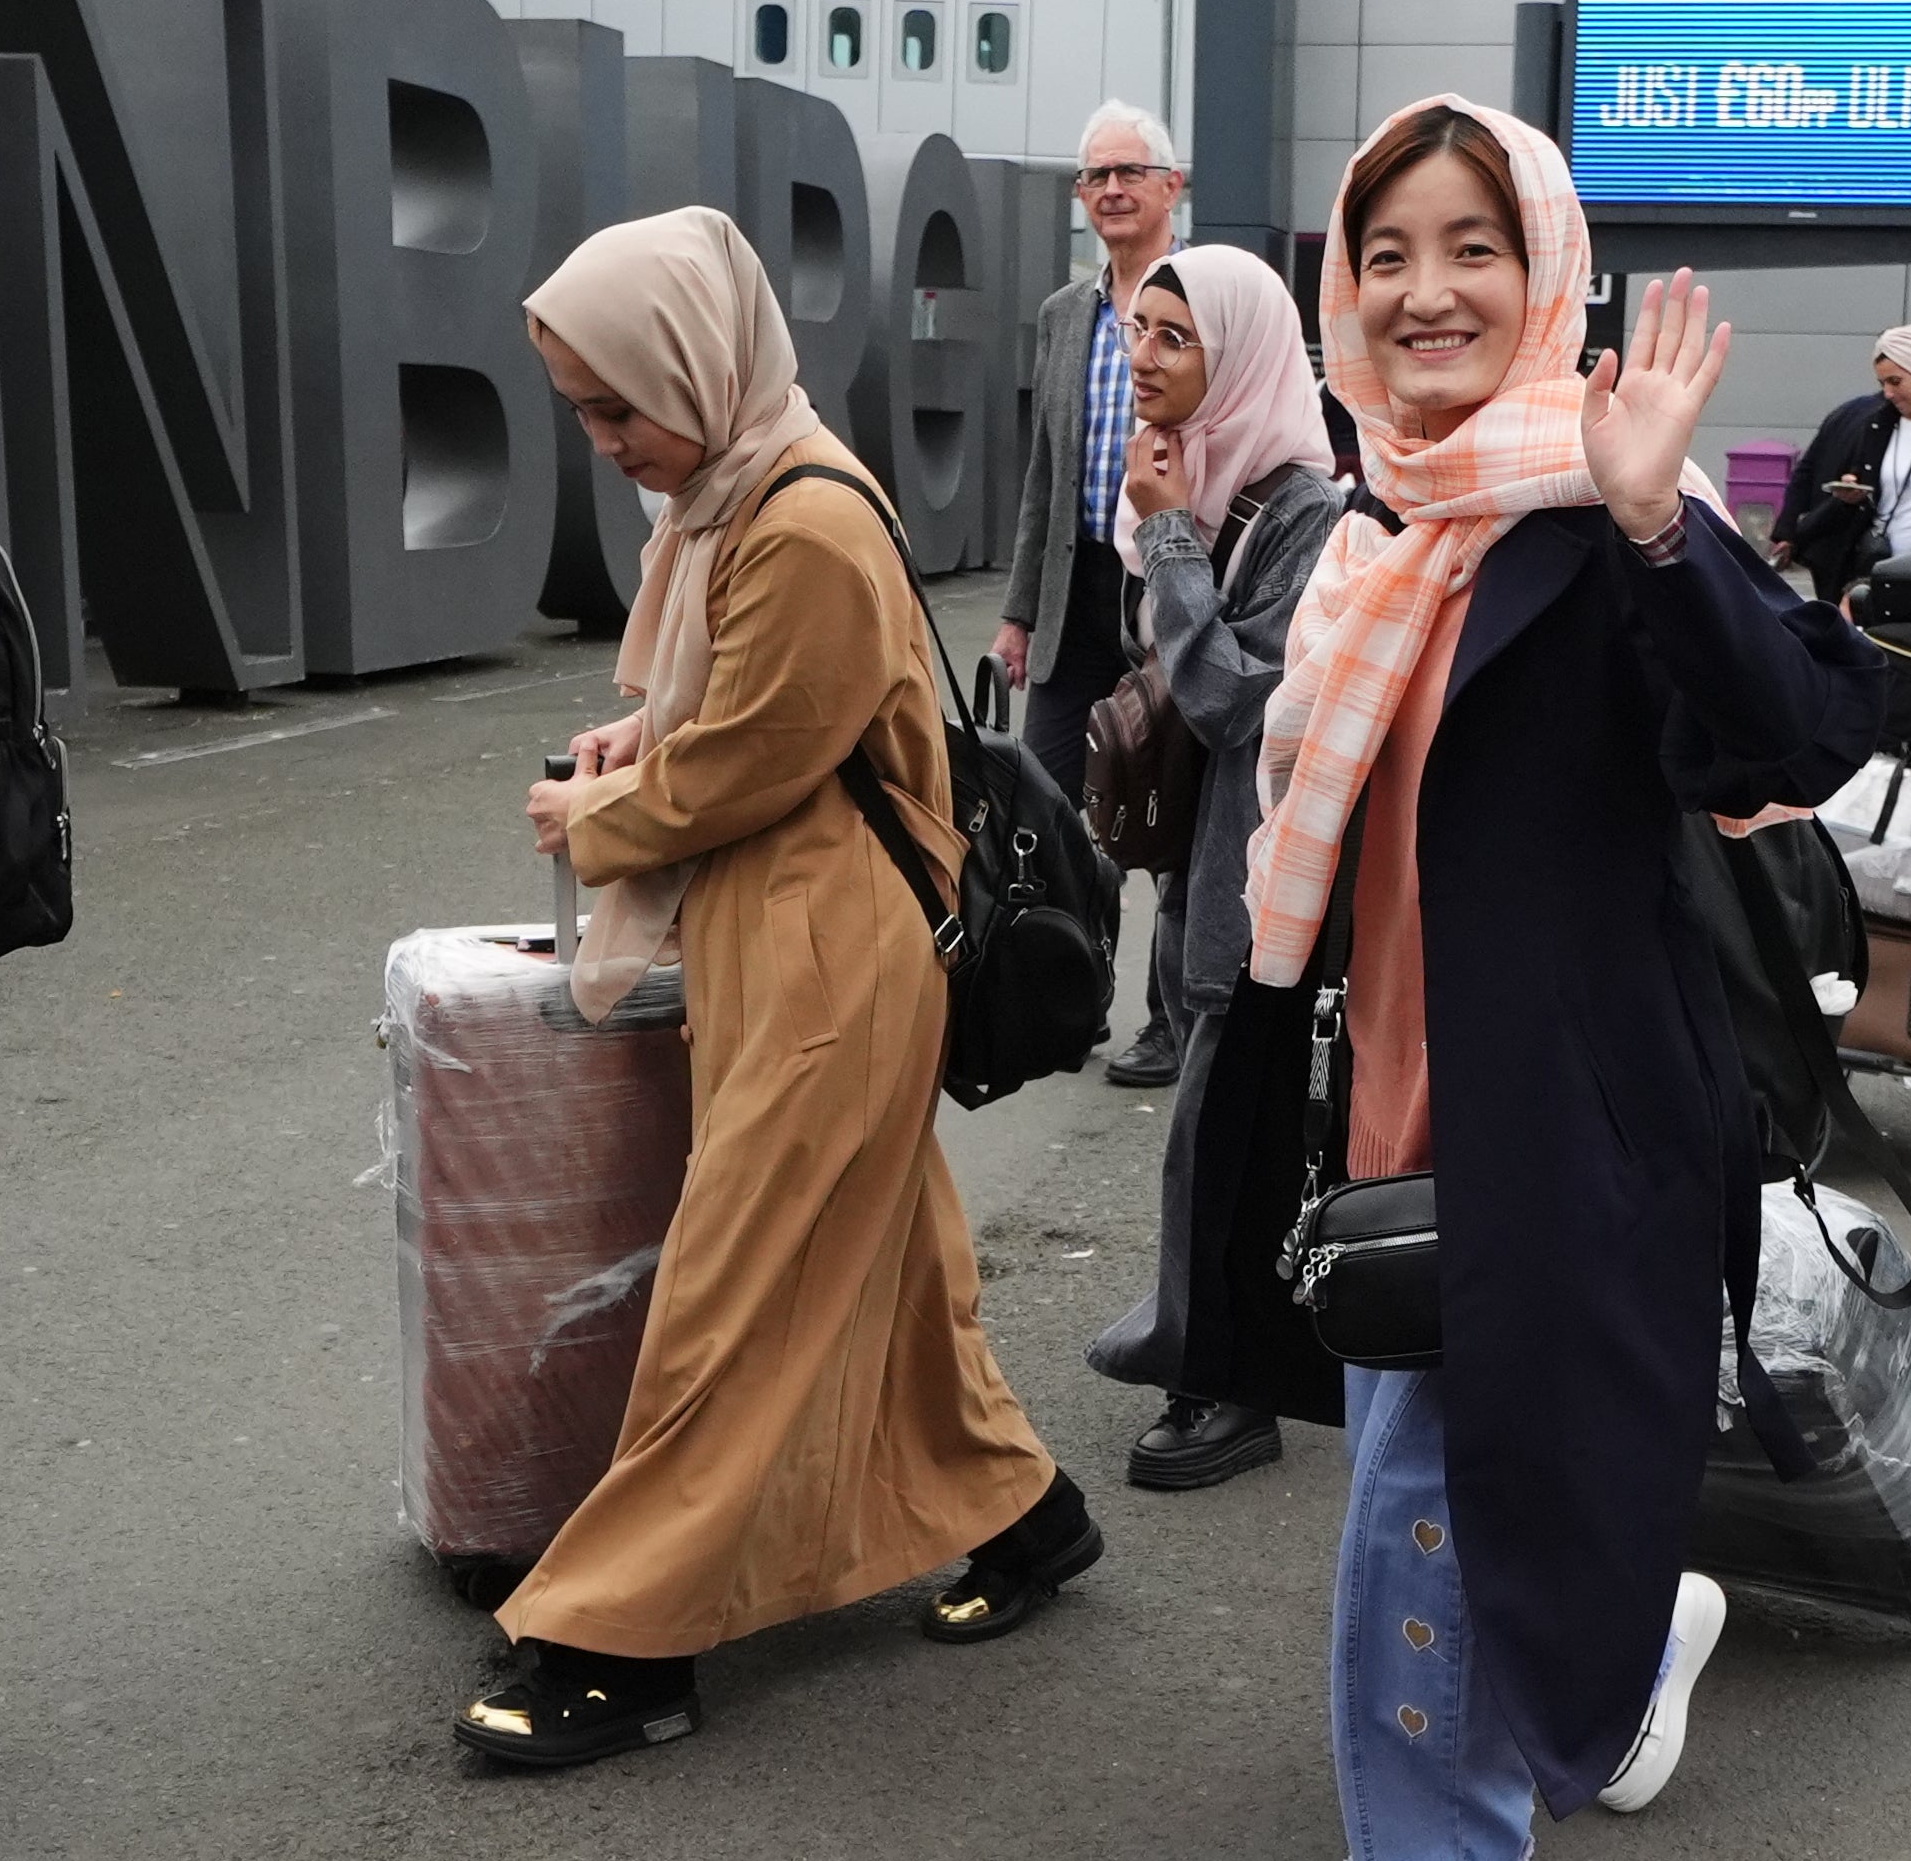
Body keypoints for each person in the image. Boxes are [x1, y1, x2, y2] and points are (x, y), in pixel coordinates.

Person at [1168, 92, 1881, 1861]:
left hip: (1555, 1105)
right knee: (1518, 1463)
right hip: (1381, 1081)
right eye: (1384, 253)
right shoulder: (1371, 524)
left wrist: (1659, 524)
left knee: (1428, 1488)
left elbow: (1797, 731)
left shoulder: (1591, 504)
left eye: (1471, 248)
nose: (1424, 292)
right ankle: (1634, 1638)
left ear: (1545, 267)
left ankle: (1442, 1855)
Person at [470, 208, 1096, 1767]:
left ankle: (625, 1638)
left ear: (700, 362)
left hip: (828, 952)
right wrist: (640, 749)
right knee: (880, 1270)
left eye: (620, 402)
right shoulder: (737, 490)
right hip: (791, 937)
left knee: (730, 1290)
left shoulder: (795, 517)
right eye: (582, 409)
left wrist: (595, 810)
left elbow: (751, 757)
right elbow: (741, 713)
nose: (605, 439)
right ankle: (1026, 1513)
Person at [1082, 242, 1348, 1491]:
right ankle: (1218, 1355)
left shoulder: (1305, 508)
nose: (1143, 357)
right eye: (1138, 330)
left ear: (1237, 355)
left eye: (1175, 337)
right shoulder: (1207, 480)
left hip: (1269, 876)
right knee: (1219, 1126)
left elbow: (1242, 696)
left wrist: (1172, 540)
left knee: (1222, 1131)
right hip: (1209, 866)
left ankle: (1223, 1378)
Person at [1001, 99, 1194, 1088]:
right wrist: (1019, 609)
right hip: (1077, 594)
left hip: (1167, 590)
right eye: (1095, 176)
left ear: (1174, 185)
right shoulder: (1063, 314)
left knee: (1160, 808)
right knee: (1040, 801)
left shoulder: (1204, 296)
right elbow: (1045, 470)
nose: (1112, 189)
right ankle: (1069, 998)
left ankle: (1169, 1020)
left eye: (1131, 171)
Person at [1774, 326, 1911, 604]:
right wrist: (1850, 493)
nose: (1888, 393)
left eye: (1896, 381)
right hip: (1873, 566)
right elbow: (1814, 472)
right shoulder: (1876, 425)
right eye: (1883, 384)